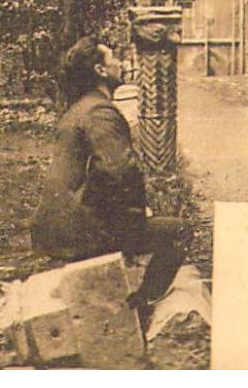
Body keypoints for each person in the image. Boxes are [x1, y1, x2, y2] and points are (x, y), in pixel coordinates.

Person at [32, 36, 186, 313]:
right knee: (178, 232)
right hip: (80, 231)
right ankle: (139, 306)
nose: (120, 62)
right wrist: (136, 215)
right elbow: (119, 171)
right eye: (112, 57)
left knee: (152, 228)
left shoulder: (81, 107)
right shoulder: (100, 112)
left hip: (61, 225)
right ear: (100, 70)